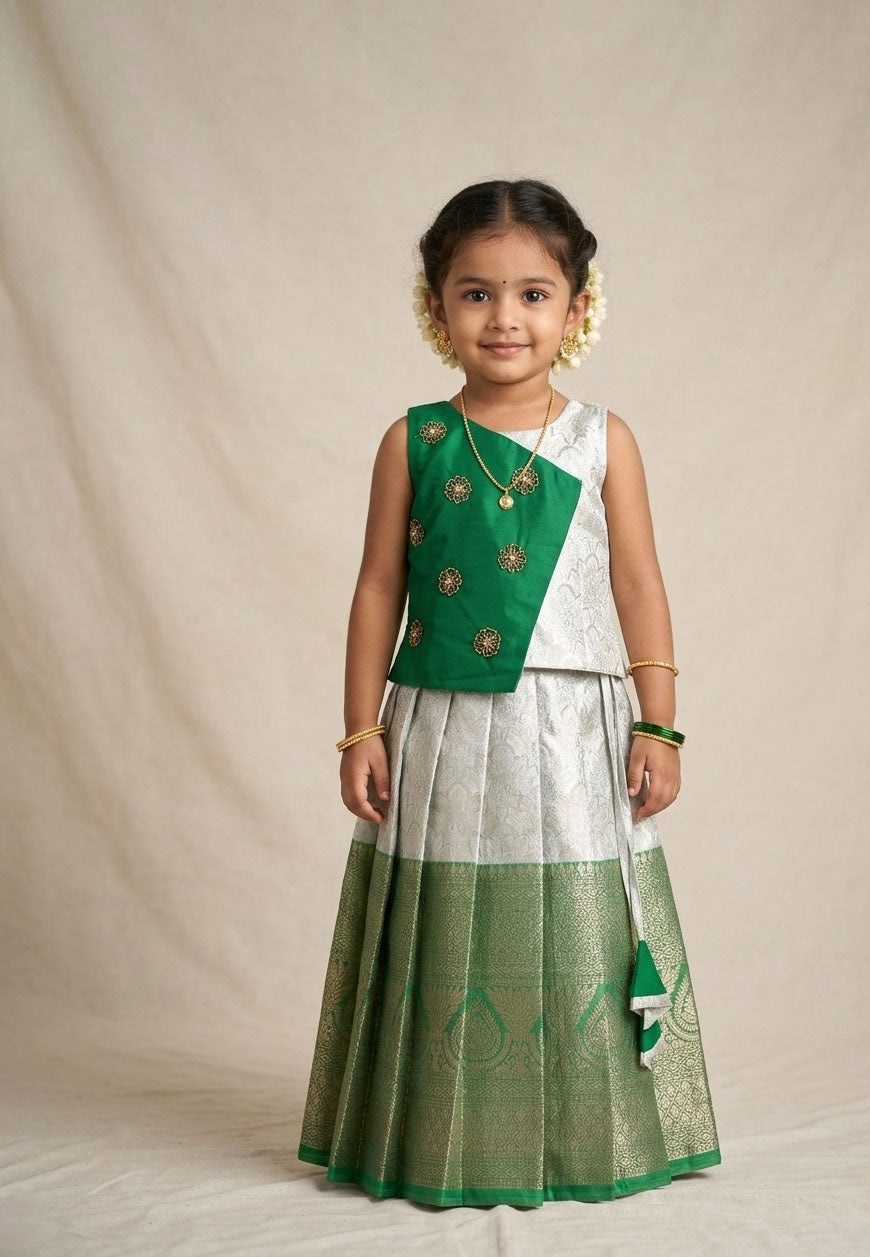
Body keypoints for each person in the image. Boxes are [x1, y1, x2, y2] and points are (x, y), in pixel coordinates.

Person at [296, 178, 721, 1208]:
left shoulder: (604, 441)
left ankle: (583, 1134)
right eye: (475, 293)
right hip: (440, 724)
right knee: (453, 916)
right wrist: (360, 729)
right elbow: (376, 590)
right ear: (435, 308)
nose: (505, 318)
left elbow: (637, 582)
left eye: (534, 294)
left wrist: (658, 722)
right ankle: (441, 1135)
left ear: (578, 310)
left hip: (573, 724)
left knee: (570, 916)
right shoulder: (412, 441)